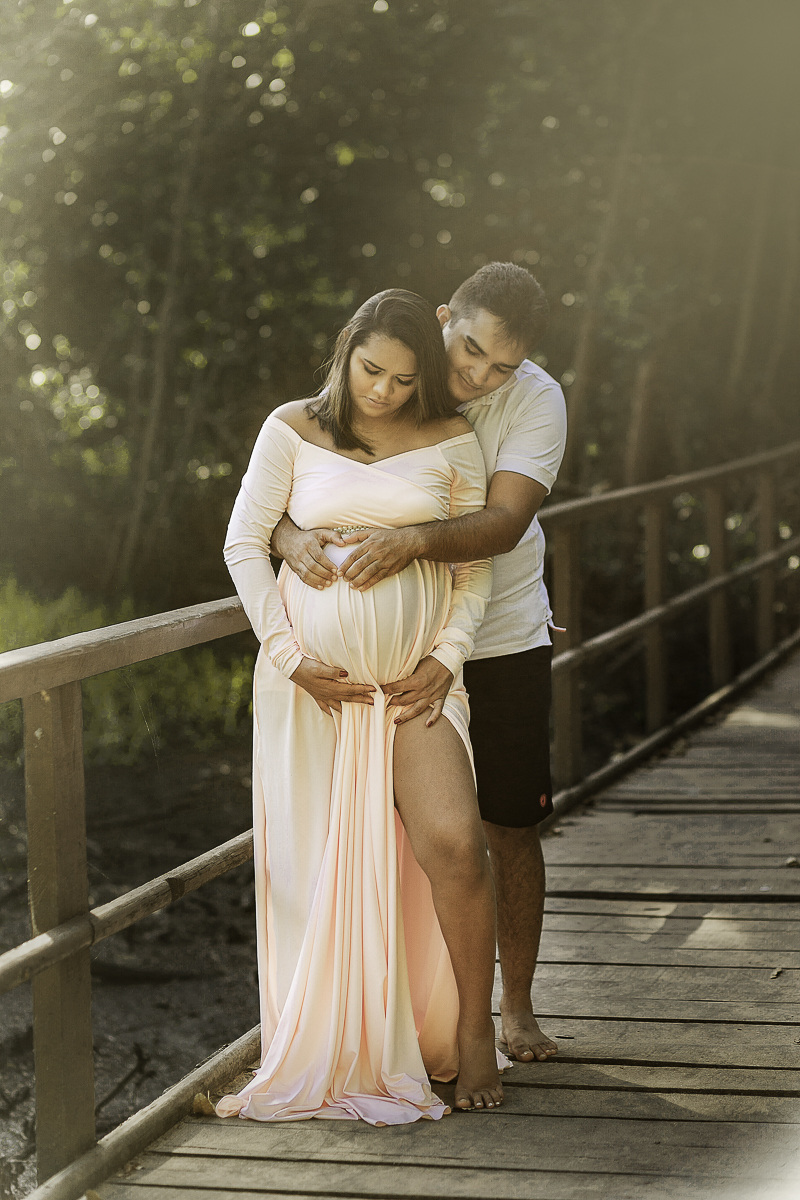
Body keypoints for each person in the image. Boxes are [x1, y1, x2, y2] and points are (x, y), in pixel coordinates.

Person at [216, 289, 507, 1126]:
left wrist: (447, 658)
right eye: (371, 369)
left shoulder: (451, 439)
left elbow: (473, 566)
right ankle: (343, 1039)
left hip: (414, 683)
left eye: (404, 380)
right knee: (315, 866)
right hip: (312, 690)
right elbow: (245, 540)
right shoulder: (293, 428)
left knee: (455, 844)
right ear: (345, 351)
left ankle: (472, 1028)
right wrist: (290, 656)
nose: (382, 391)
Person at [272, 263, 567, 1065]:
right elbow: (309, 473)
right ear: (444, 318)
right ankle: (401, 1018)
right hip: (390, 659)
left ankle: (515, 1007)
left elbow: (502, 525)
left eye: (498, 366)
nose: (475, 375)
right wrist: (286, 536)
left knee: (509, 824)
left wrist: (408, 544)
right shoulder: (394, 371)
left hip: (499, 638)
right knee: (411, 835)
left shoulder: (536, 401)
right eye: (467, 349)